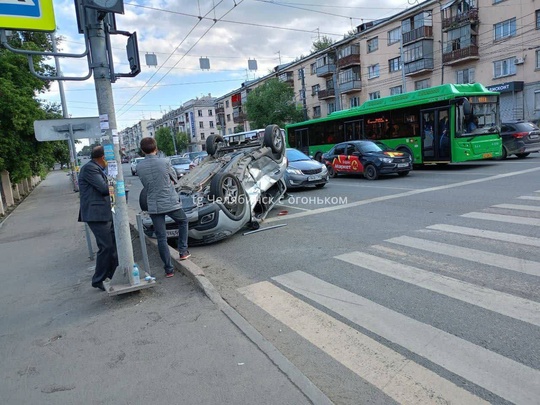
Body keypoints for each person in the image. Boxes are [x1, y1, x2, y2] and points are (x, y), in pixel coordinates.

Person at [137, 137, 190, 278]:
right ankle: (183, 251)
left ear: (142, 150)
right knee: (183, 221)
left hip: (154, 204)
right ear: (156, 148)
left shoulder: (139, 166)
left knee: (161, 237)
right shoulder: (165, 162)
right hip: (170, 201)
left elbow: (145, 184)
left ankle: (168, 270)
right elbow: (175, 178)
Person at [78, 145, 118, 291]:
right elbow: (103, 188)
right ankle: (98, 279)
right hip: (96, 214)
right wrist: (117, 185)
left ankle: (113, 274)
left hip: (104, 212)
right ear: (103, 157)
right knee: (106, 246)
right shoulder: (90, 168)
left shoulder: (97, 168)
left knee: (112, 245)